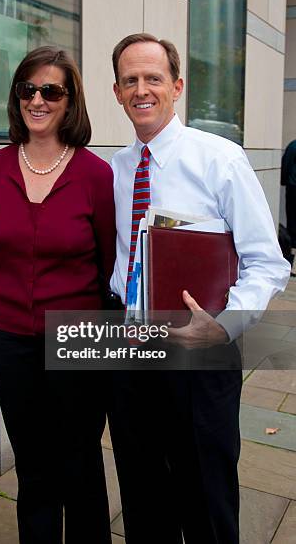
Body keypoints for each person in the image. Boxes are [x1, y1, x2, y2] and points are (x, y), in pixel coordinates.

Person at [107, 33, 290, 544]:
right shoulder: (116, 171)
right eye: (130, 81)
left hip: (200, 356)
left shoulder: (220, 160)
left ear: (177, 86)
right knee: (143, 497)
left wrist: (224, 327)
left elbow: (266, 262)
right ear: (118, 93)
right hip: (130, 355)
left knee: (205, 498)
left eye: (153, 78)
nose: (142, 89)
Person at [0, 46, 116, 544]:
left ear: (70, 102)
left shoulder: (95, 175)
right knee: (34, 464)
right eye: (28, 89)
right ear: (16, 98)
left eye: (52, 90)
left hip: (78, 338)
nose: (38, 100)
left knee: (81, 461)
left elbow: (111, 269)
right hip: (8, 341)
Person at [281, 139, 296, 272]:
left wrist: (284, 180)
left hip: (294, 188)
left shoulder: (293, 145)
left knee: (293, 222)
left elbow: (286, 165)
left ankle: (291, 261)